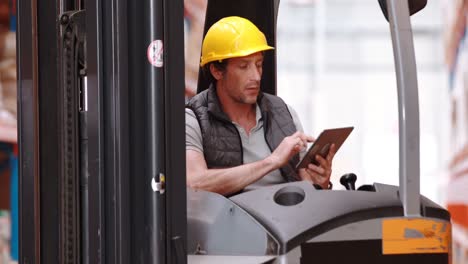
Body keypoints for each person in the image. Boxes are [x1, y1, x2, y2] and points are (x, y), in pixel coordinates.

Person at [185, 16, 336, 196]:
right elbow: (194, 183)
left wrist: (320, 183)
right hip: (229, 222)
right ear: (217, 71)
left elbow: (307, 188)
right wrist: (272, 161)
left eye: (259, 65)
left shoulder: (284, 114)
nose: (256, 76)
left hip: (289, 220)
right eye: (244, 67)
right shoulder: (193, 120)